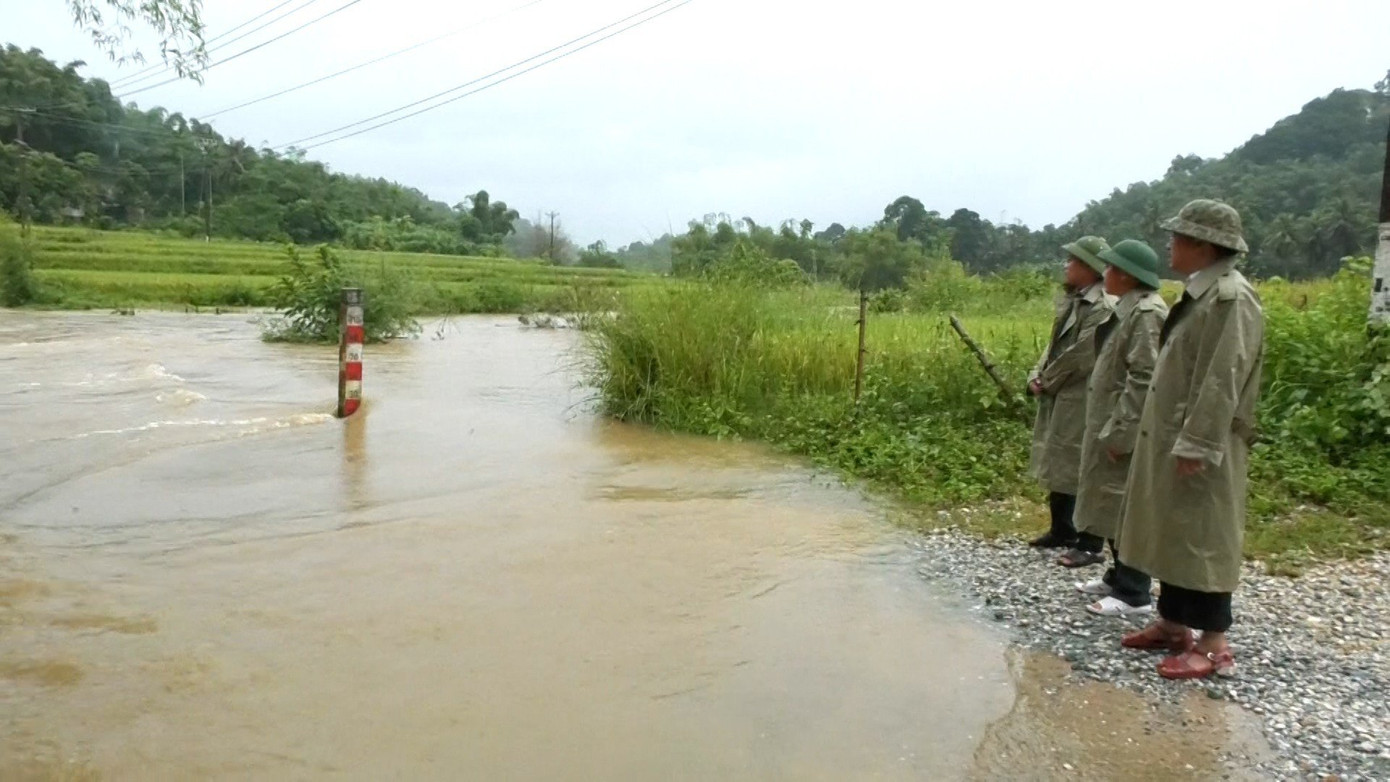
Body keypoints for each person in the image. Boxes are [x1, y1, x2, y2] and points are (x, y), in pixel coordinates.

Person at [1115, 199, 1264, 680]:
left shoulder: (1231, 299)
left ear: (1202, 245)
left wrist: (1199, 442)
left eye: (1178, 237)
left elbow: (1224, 377)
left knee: (1205, 535)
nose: (1169, 245)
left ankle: (1215, 643)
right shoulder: (1201, 293)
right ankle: (1174, 624)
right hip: (1172, 435)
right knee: (1173, 528)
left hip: (1202, 441)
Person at [1069, 239, 1168, 616]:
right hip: (1109, 421)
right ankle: (1117, 574)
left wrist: (1122, 431)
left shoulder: (1146, 314)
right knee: (1110, 501)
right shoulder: (1127, 308)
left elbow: (1144, 377)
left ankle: (1134, 591)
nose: (1104, 273)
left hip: (1124, 426)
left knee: (1126, 505)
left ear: (1126, 274)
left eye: (1109, 268)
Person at [1027, 236, 1115, 552]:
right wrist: (1036, 374)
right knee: (1059, 459)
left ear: (1091, 268)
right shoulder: (1073, 300)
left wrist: (1047, 379)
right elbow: (1053, 348)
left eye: (1073, 261)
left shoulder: (1103, 306)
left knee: (1082, 462)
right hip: (1062, 392)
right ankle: (1061, 529)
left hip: (1083, 394)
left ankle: (1089, 540)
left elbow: (1083, 354)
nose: (1067, 266)